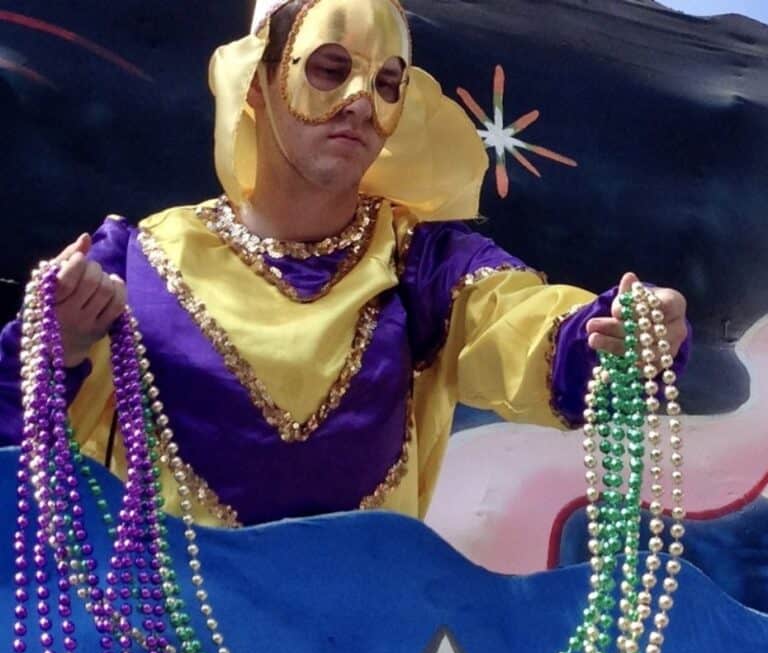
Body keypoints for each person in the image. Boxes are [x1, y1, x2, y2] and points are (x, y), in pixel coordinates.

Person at [0, 0, 690, 528]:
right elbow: (20, 466)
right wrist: (54, 345)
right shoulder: (139, 262)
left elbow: (517, 324)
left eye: (387, 82)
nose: (361, 102)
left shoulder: (422, 265)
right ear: (258, 83)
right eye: (331, 69)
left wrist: (612, 334)